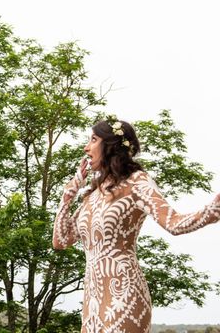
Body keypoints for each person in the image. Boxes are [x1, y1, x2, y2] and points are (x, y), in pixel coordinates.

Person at [53, 118, 220, 332]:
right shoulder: (92, 194)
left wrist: (211, 211)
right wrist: (69, 192)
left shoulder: (137, 182)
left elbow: (174, 223)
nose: (86, 147)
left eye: (93, 139)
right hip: (92, 304)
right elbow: (60, 240)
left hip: (125, 297)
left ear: (111, 145)